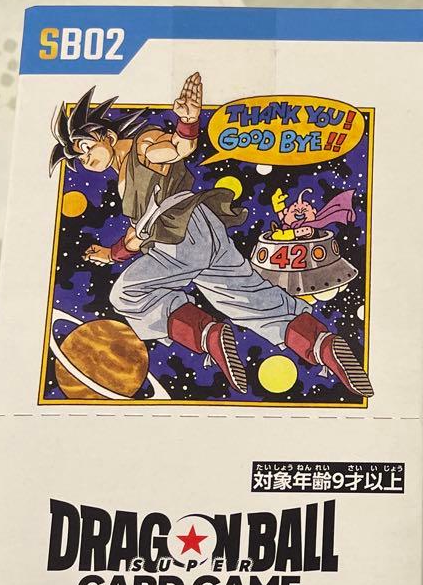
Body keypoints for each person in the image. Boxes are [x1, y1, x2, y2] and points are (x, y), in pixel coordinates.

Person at [49, 75, 372, 398]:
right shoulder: (124, 172)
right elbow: (138, 234)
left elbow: (176, 149)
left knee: (127, 294)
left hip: (181, 237)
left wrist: (188, 123)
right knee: (250, 300)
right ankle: (322, 345)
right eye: (78, 159)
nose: (85, 159)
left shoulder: (142, 146)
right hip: (203, 230)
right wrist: (111, 254)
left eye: (85, 147)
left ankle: (207, 334)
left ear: (106, 135)